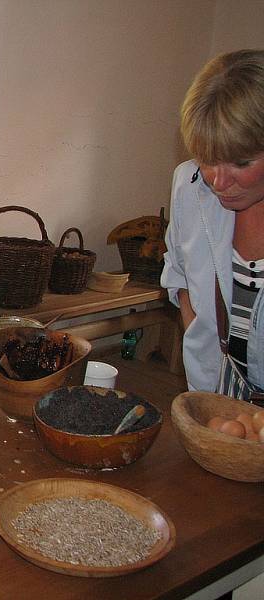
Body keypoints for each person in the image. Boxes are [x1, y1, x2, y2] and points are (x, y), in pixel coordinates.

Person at [161, 49, 264, 401]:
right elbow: (181, 275)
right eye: (207, 159)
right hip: (221, 395)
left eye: (240, 162)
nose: (218, 181)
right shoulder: (189, 184)